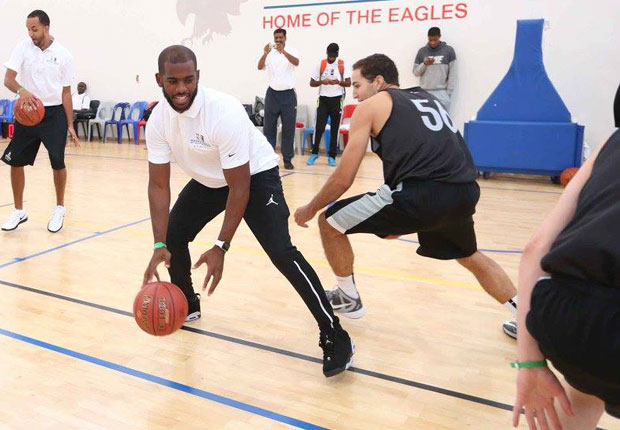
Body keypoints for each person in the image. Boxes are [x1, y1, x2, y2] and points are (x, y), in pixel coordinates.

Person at [143, 45, 354, 377]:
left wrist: (221, 246)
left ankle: (334, 332)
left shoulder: (222, 111)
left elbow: (239, 188)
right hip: (211, 179)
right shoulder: (157, 121)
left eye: (188, 80)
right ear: (159, 80)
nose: (181, 89)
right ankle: (186, 301)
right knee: (173, 235)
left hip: (254, 177)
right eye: (172, 81)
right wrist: (158, 244)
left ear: (198, 76)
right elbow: (158, 185)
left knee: (282, 252)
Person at [294, 54, 518, 338]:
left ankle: (348, 297)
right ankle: (528, 319)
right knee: (469, 255)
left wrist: (311, 208)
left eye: (357, 85)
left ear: (378, 82)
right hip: (463, 190)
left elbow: (344, 177)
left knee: (329, 221)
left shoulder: (371, 106)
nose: (355, 94)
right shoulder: (427, 98)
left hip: (422, 194)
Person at [512, 87, 620, 430]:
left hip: (565, 316)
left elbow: (535, 249)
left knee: (583, 397)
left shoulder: (610, 145)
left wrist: (529, 364)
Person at [1, 9, 80, 233]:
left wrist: (71, 124)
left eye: (34, 29)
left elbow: (66, 93)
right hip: (27, 111)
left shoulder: (64, 55)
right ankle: (18, 211)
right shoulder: (22, 48)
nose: (31, 33)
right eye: (28, 29)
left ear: (46, 27)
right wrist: (22, 91)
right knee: (15, 161)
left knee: (57, 161)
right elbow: (9, 79)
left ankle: (59, 208)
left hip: (53, 114)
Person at [257, 28, 299, 170]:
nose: (278, 40)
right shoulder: (270, 53)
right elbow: (259, 67)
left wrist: (284, 52)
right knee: (269, 128)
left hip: (288, 95)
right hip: (272, 94)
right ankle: (269, 158)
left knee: (288, 129)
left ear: (285, 38)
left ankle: (287, 159)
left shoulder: (291, 50)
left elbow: (296, 62)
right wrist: (264, 53)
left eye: (281, 38)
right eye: (276, 38)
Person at [306, 43, 351, 167]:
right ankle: (314, 153)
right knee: (319, 126)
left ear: (337, 54)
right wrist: (322, 81)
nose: (331, 58)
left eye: (333, 56)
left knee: (335, 128)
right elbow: (312, 83)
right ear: (327, 53)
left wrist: (339, 82)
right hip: (323, 99)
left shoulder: (342, 64)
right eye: (330, 56)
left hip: (337, 99)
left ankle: (332, 156)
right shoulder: (320, 64)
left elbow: (348, 83)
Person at [413, 27, 456, 113]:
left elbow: (453, 74)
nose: (432, 42)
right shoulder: (422, 51)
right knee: (423, 122)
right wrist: (424, 64)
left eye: (435, 40)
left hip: (441, 93)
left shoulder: (449, 51)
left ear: (439, 36)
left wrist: (448, 94)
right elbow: (416, 72)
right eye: (430, 40)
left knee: (444, 122)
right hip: (424, 93)